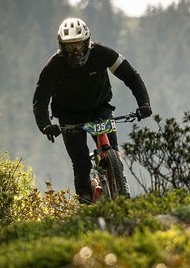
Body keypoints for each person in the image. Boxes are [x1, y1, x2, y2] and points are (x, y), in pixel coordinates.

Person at [32, 17, 153, 203]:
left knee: (113, 151)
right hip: (69, 116)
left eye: (79, 45)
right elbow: (40, 100)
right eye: (70, 47)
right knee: (81, 164)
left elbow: (132, 77)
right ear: (61, 47)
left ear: (88, 43)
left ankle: (117, 180)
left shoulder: (102, 54)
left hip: (100, 109)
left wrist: (144, 104)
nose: (76, 52)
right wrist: (46, 125)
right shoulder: (54, 66)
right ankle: (86, 204)